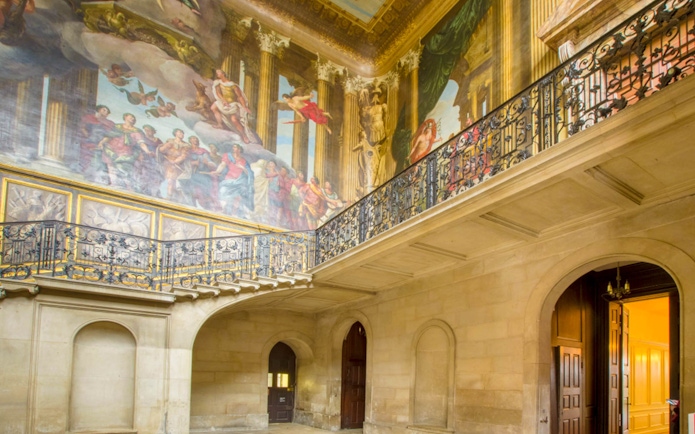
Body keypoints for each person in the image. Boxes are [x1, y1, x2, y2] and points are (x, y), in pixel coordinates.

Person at [98, 113, 146, 190]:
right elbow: (109, 136)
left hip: (125, 150)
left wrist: (147, 151)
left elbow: (141, 143)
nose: (133, 119)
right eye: (131, 117)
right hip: (112, 148)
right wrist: (101, 142)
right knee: (111, 166)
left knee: (123, 168)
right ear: (125, 117)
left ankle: (129, 187)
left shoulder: (136, 131)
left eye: (134, 118)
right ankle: (113, 183)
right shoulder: (117, 127)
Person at [179, 136, 220, 211]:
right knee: (187, 183)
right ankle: (190, 201)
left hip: (203, 172)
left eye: (196, 139)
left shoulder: (203, 151)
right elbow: (182, 161)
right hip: (191, 172)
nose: (195, 140)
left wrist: (208, 163)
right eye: (193, 139)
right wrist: (193, 163)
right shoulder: (188, 151)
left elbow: (209, 161)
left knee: (207, 182)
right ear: (190, 141)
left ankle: (206, 201)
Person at [210, 69, 251, 143]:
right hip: (223, 102)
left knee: (234, 120)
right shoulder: (218, 83)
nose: (217, 74)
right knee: (213, 107)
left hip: (232, 104)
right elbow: (218, 93)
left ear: (223, 74)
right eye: (216, 73)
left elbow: (240, 97)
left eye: (218, 73)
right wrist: (224, 100)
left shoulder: (233, 85)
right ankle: (219, 124)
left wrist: (245, 107)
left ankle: (244, 135)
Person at [213, 144, 254, 217]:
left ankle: (234, 212)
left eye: (236, 147)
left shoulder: (244, 161)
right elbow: (223, 165)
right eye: (233, 147)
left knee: (238, 196)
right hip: (229, 179)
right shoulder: (228, 156)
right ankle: (224, 209)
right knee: (223, 191)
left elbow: (249, 173)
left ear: (239, 150)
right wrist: (217, 171)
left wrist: (242, 167)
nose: (234, 148)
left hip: (240, 181)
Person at [79, 105, 115, 183]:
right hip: (88, 142)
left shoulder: (109, 123)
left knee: (99, 160)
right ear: (99, 110)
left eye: (107, 112)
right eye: (104, 110)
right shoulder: (89, 118)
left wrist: (101, 142)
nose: (106, 112)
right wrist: (87, 135)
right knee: (87, 157)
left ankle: (100, 179)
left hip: (100, 144)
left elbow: (109, 135)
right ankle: (87, 175)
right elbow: (82, 127)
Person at [157, 128, 190, 200]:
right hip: (166, 162)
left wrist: (175, 161)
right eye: (180, 132)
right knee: (166, 179)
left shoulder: (185, 145)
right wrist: (165, 146)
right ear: (175, 133)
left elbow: (184, 156)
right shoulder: (170, 141)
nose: (182, 134)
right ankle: (170, 195)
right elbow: (161, 150)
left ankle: (169, 196)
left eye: (182, 133)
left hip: (176, 165)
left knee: (171, 180)